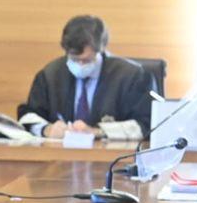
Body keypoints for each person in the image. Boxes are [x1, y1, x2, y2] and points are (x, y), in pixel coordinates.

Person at [17, 15, 153, 141]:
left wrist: (97, 131)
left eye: (87, 60)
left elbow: (146, 124)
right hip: (61, 159)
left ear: (101, 49)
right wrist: (47, 130)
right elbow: (29, 116)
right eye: (74, 59)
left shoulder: (132, 77)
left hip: (112, 160)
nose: (80, 65)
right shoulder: (50, 75)